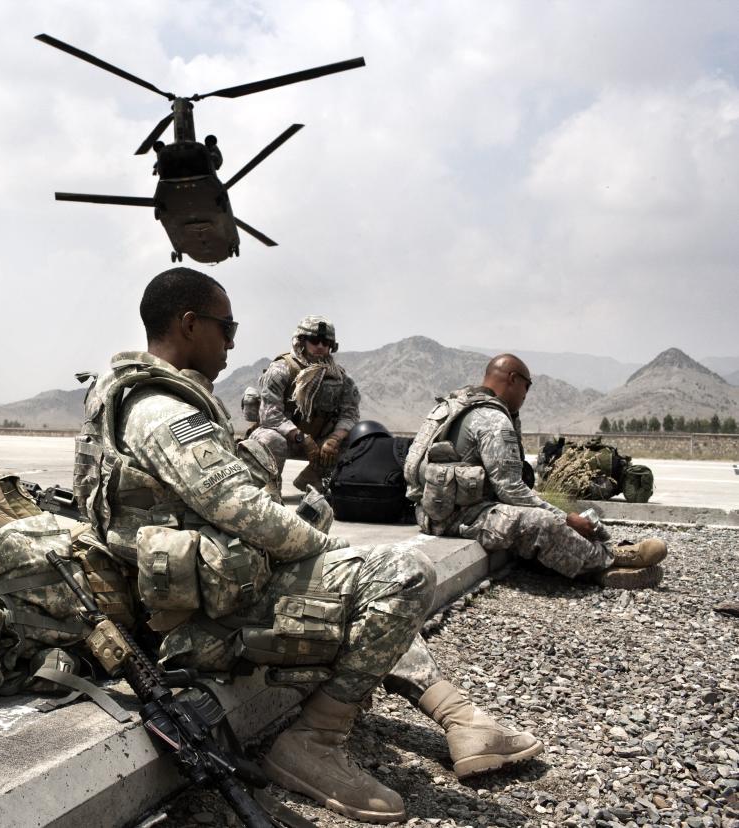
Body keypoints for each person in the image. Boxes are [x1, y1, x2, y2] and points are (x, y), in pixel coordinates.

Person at [75, 269, 539, 824]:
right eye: (227, 327)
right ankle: (313, 743)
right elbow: (246, 510)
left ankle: (458, 715)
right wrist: (324, 546)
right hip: (197, 619)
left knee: (359, 575)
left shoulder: (132, 397)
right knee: (401, 575)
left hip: (206, 591)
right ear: (188, 324)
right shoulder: (163, 410)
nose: (232, 342)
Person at [404, 354, 668, 589]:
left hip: (429, 512)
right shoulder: (494, 420)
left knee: (537, 511)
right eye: (526, 387)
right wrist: (566, 518)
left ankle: (600, 564)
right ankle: (608, 561)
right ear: (512, 379)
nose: (525, 396)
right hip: (459, 517)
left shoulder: (451, 407)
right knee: (540, 521)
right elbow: (510, 490)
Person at [248, 315, 360, 494]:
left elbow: (350, 414)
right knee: (271, 439)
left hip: (318, 443)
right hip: (283, 438)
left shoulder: (341, 378)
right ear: (301, 341)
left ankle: (312, 476)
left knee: (356, 440)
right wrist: (301, 438)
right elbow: (270, 414)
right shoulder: (281, 369)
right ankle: (269, 487)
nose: (321, 346)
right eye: (314, 340)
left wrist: (334, 439)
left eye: (326, 342)